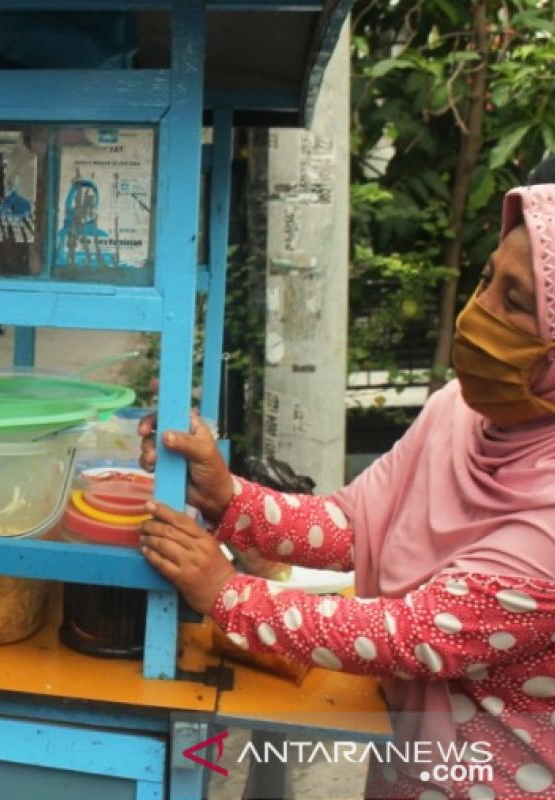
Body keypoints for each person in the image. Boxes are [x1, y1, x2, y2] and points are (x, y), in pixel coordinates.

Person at [138, 184, 555, 798]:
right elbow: (352, 524)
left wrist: (228, 596)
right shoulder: (456, 414)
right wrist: (225, 495)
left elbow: (413, 636)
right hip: (404, 763)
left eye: (515, 301)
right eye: (487, 279)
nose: (479, 312)